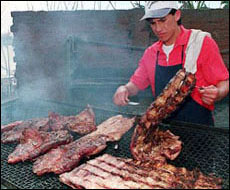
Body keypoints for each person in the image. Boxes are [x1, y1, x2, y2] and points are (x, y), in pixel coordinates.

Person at [113, 1, 229, 126]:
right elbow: (135, 84)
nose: (158, 28)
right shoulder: (151, 53)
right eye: (153, 23)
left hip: (199, 129)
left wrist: (217, 93)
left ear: (177, 15)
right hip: (163, 129)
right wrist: (124, 89)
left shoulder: (201, 43)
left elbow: (224, 83)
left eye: (163, 20)